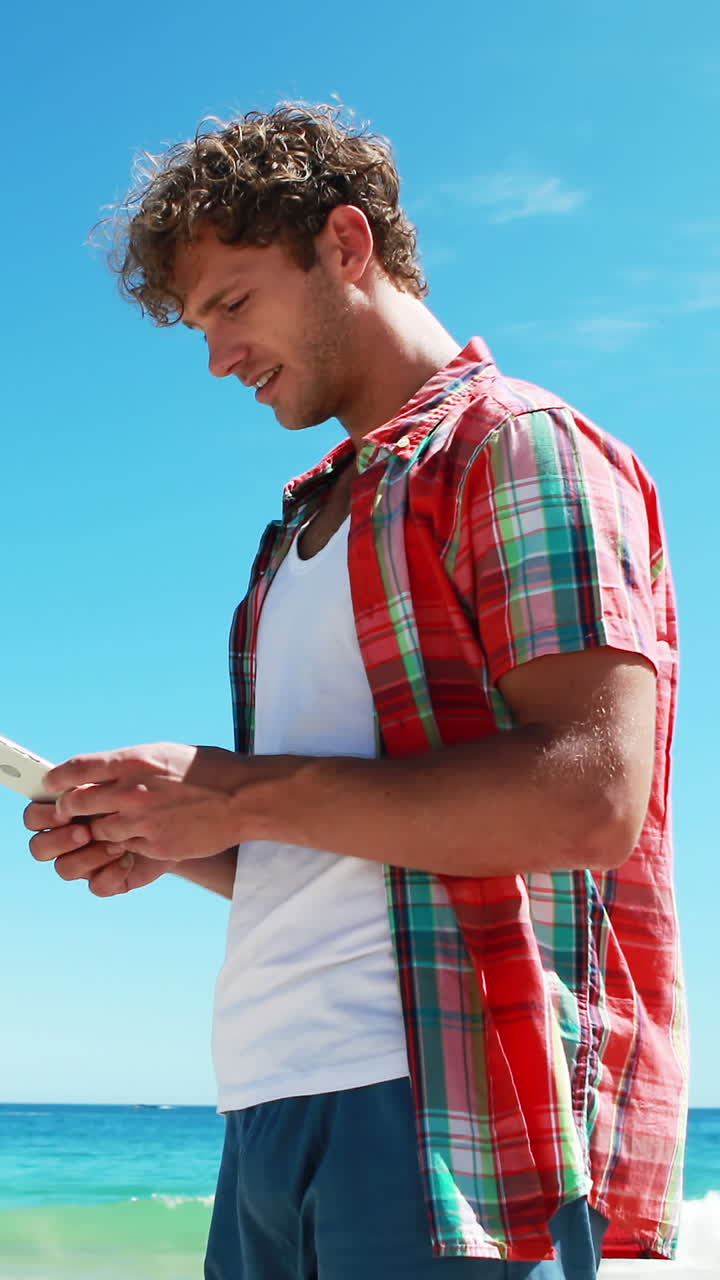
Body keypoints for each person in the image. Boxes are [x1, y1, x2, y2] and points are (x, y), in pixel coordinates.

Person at [25, 104, 687, 1278]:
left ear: (344, 243)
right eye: (198, 328)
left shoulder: (515, 445)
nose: (219, 356)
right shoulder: (296, 534)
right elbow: (325, 837)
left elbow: (589, 799)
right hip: (267, 1108)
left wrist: (236, 793)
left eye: (231, 303)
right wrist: (171, 828)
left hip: (443, 1115)